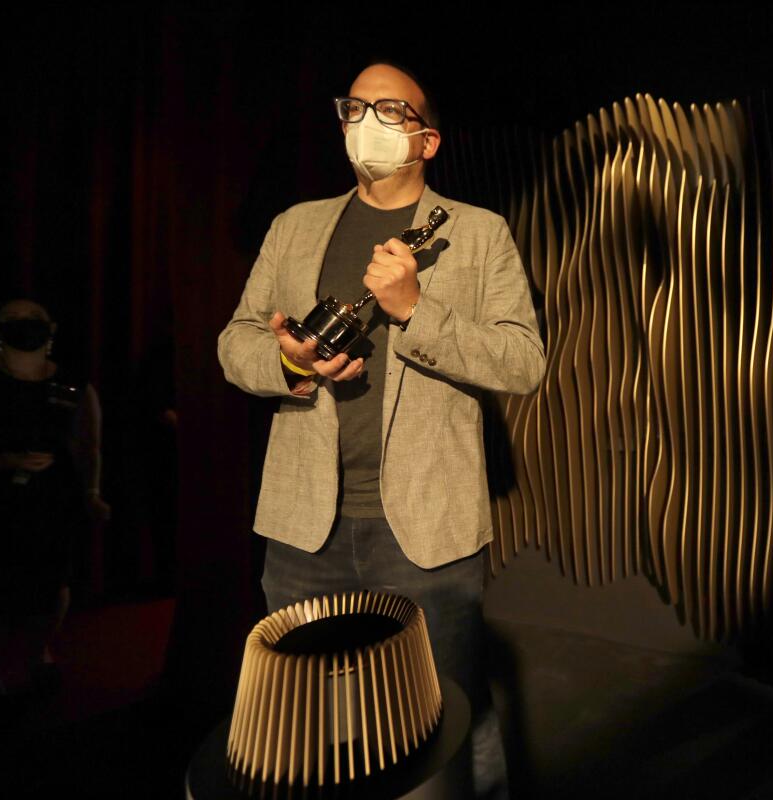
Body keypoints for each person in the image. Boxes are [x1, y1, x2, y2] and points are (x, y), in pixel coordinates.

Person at [217, 63, 545, 798]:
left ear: (427, 139)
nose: (366, 120)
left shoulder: (479, 233)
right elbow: (234, 341)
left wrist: (415, 311)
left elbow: (523, 361)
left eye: (389, 108)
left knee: (442, 726)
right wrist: (288, 362)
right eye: (354, 106)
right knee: (320, 729)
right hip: (304, 530)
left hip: (426, 531)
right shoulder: (294, 226)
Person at [0, 298, 111, 697]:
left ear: (51, 329)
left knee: (52, 579)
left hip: (53, 501)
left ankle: (38, 650)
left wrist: (92, 494)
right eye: (14, 320)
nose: (24, 325)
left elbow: (90, 446)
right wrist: (6, 461)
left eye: (33, 320)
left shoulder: (73, 386)